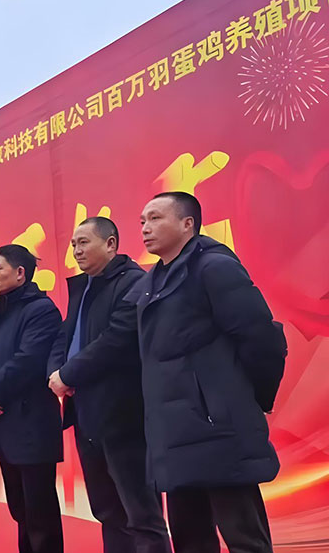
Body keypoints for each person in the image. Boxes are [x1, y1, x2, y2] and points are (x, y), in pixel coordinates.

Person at [129, 192, 286, 553]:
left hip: (218, 431)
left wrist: (248, 399)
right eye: (142, 221)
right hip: (174, 433)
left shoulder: (213, 268)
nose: (146, 228)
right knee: (191, 541)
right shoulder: (151, 284)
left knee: (244, 539)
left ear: (188, 224)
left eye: (156, 218)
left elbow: (261, 339)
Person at [46, 218, 171, 553]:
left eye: (84, 242)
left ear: (111, 244)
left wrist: (68, 374)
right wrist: (56, 371)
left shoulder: (134, 282)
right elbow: (64, 336)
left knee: (141, 512)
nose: (76, 251)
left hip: (123, 416)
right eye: (73, 244)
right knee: (107, 510)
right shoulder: (83, 288)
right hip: (87, 415)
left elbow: (116, 339)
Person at [0, 245, 63, 553]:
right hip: (2, 427)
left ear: (20, 273)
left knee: (40, 515)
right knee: (20, 511)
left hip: (31, 426)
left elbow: (27, 362)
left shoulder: (42, 310)